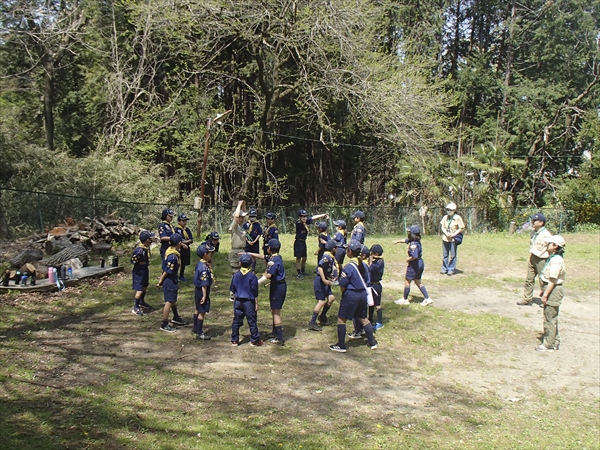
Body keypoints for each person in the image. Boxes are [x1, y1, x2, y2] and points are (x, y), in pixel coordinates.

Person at [329, 240, 378, 353]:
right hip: (362, 294)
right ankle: (372, 342)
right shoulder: (364, 265)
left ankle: (341, 345)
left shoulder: (349, 267)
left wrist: (344, 293)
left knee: (342, 318)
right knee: (363, 318)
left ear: (349, 252)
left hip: (351, 294)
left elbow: (343, 284)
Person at [247, 239, 287, 345]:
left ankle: (279, 337)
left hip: (277, 287)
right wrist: (249, 253)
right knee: (274, 310)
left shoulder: (273, 261)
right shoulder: (277, 257)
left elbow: (268, 275)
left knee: (276, 312)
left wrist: (256, 283)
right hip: (279, 286)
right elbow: (262, 256)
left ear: (269, 248)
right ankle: (275, 332)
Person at [536, 235, 566, 352]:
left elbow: (553, 280)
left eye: (550, 243)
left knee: (550, 317)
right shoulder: (553, 258)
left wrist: (545, 294)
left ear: (555, 246)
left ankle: (548, 344)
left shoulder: (556, 261)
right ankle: (554, 340)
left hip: (553, 290)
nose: (547, 245)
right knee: (551, 316)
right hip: (550, 289)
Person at [517, 212, 553, 306]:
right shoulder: (533, 232)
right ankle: (527, 298)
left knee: (543, 280)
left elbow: (551, 248)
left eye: (534, 220)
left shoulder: (546, 234)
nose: (532, 222)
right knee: (529, 279)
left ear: (541, 222)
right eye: (532, 220)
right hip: (533, 256)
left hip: (542, 259)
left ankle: (545, 300)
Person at [394, 225, 433, 306]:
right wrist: (397, 241)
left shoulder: (413, 244)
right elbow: (405, 240)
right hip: (420, 263)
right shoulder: (415, 241)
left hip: (415, 264)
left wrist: (409, 259)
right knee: (417, 281)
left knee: (407, 281)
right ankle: (427, 298)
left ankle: (405, 299)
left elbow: (414, 256)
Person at [230, 253, 262, 346]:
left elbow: (233, 288)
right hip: (249, 302)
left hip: (238, 301)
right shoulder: (252, 276)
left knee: (236, 320)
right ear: (251, 264)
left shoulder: (236, 275)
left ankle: (234, 339)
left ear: (239, 263)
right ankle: (254, 340)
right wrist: (256, 303)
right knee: (252, 320)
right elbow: (255, 291)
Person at [308, 239, 340, 331]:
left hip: (325, 280)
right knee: (321, 301)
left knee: (331, 298)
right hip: (320, 281)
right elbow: (320, 267)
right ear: (333, 249)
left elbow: (328, 269)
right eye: (336, 248)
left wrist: (331, 277)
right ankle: (312, 322)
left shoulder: (331, 256)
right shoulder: (326, 257)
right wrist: (324, 279)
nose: (337, 249)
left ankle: (322, 316)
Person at [157, 233, 186, 332]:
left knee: (173, 300)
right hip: (169, 280)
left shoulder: (168, 251)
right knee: (169, 302)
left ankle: (176, 317)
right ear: (179, 243)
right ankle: (164, 323)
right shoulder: (173, 256)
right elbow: (167, 271)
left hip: (172, 279)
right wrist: (160, 281)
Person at [294, 209, 329, 278]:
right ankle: (299, 273)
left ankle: (303, 271)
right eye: (302, 216)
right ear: (299, 217)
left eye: (305, 216)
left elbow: (313, 217)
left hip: (303, 242)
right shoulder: (298, 223)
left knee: (304, 258)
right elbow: (302, 222)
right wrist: (304, 221)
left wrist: (323, 215)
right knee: (299, 258)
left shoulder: (305, 221)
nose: (304, 218)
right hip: (298, 242)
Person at [192, 243, 215, 340]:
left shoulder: (200, 264)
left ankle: (195, 327)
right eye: (210, 253)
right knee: (202, 312)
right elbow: (204, 283)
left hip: (197, 290)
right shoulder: (204, 268)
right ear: (205, 254)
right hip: (202, 291)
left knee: (197, 309)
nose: (211, 255)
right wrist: (204, 296)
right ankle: (200, 332)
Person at [130, 230, 154, 316]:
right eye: (150, 239)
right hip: (139, 271)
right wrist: (141, 263)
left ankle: (141, 301)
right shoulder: (139, 250)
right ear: (147, 240)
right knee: (139, 289)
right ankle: (135, 307)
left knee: (144, 286)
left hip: (144, 270)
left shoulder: (145, 249)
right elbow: (133, 261)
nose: (151, 240)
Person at [228, 200, 248, 301]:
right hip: (236, 253)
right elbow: (236, 217)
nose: (243, 219)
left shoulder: (241, 226)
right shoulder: (235, 226)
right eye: (242, 217)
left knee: (242, 273)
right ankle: (232, 293)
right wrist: (239, 204)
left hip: (242, 251)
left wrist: (243, 206)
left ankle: (239, 291)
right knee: (235, 273)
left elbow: (245, 214)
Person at [440, 202, 465, 276]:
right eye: (448, 209)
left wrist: (453, 235)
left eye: (450, 209)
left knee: (453, 255)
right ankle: (444, 268)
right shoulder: (445, 217)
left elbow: (461, 228)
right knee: (445, 254)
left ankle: (451, 269)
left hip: (453, 239)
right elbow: (442, 227)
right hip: (445, 238)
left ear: (454, 210)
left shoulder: (457, 217)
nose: (449, 211)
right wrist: (446, 233)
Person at [368, 244, 385, 329]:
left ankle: (379, 322)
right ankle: (370, 319)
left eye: (372, 253)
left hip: (376, 285)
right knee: (370, 304)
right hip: (370, 284)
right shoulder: (376, 261)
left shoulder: (379, 262)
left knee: (377, 305)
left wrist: (370, 261)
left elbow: (370, 269)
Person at [174, 213, 193, 281]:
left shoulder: (187, 229)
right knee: (177, 262)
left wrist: (184, 241)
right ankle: (175, 275)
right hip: (179, 249)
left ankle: (181, 275)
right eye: (183, 221)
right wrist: (184, 242)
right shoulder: (176, 229)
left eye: (185, 221)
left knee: (184, 263)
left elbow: (191, 239)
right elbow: (177, 239)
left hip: (186, 249)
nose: (185, 222)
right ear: (179, 221)